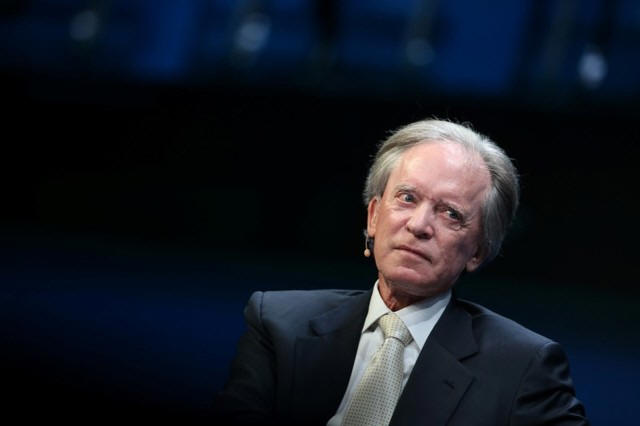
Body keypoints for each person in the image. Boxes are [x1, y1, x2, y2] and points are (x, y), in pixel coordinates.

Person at [214, 118, 588, 425]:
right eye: (407, 198)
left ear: (478, 251)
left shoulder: (523, 368)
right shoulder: (278, 325)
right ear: (374, 216)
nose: (419, 225)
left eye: (450, 214)